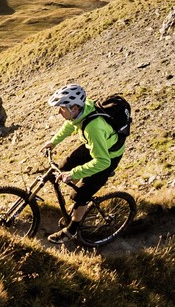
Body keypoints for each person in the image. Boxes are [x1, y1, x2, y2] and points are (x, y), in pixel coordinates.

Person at [40, 84, 125, 243]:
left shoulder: (93, 128)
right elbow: (69, 125)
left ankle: (72, 229)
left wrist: (74, 174)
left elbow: (102, 161)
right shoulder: (82, 110)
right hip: (95, 146)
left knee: (79, 195)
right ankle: (79, 196)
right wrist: (53, 142)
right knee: (62, 167)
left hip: (107, 157)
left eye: (62, 108)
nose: (59, 111)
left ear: (74, 108)